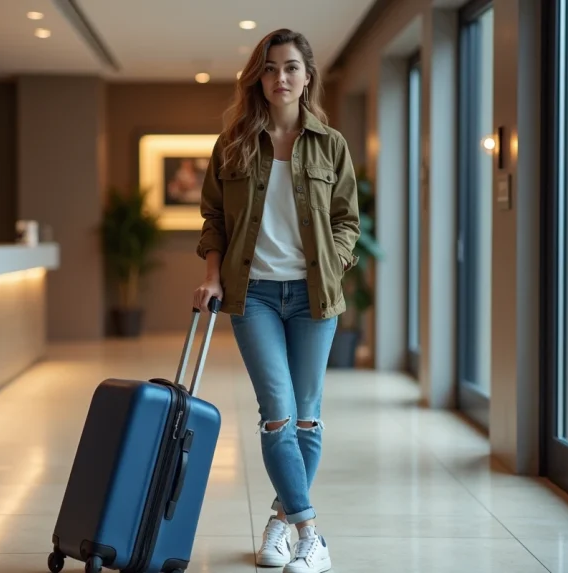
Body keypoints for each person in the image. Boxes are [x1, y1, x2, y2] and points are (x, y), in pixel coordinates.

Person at [192, 28, 360, 573]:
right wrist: (214, 276)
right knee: (276, 414)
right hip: (254, 295)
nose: (279, 78)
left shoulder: (330, 144)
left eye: (290, 67)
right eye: (269, 68)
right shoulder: (233, 144)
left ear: (307, 76)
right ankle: (311, 531)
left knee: (306, 417)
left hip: (315, 297)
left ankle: (279, 521)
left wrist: (333, 261)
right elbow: (214, 219)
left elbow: (346, 221)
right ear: (257, 78)